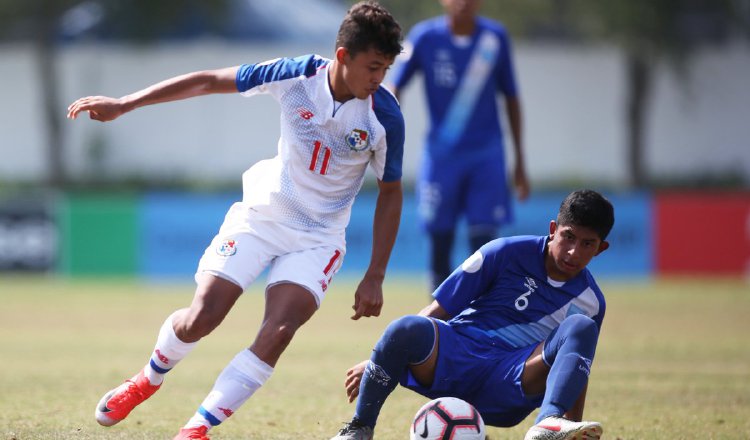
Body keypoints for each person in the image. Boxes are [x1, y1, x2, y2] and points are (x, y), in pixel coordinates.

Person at [67, 2, 404, 439]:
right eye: (373, 67)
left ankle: (196, 429)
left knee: (279, 331)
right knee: (203, 317)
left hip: (318, 239)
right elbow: (209, 80)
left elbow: (390, 192)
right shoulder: (295, 74)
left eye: (385, 69)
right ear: (343, 56)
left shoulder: (385, 116)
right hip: (262, 215)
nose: (379, 79)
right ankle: (147, 378)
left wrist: (375, 274)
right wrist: (125, 104)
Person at [331, 189, 614, 440]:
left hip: (511, 379)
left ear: (601, 249)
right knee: (405, 327)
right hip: (456, 359)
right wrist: (379, 359)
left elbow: (578, 366)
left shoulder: (591, 302)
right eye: (568, 236)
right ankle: (359, 428)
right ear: (554, 228)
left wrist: (573, 425)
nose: (574, 251)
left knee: (581, 327)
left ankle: (548, 427)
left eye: (587, 244)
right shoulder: (504, 252)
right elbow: (433, 314)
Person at [388, 0, 529, 292]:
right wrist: (384, 132)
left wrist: (520, 162)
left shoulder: (494, 38)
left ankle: (484, 320)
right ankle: (438, 325)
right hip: (442, 158)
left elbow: (512, 98)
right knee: (440, 240)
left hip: (487, 156)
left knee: (485, 245)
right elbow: (394, 86)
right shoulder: (425, 37)